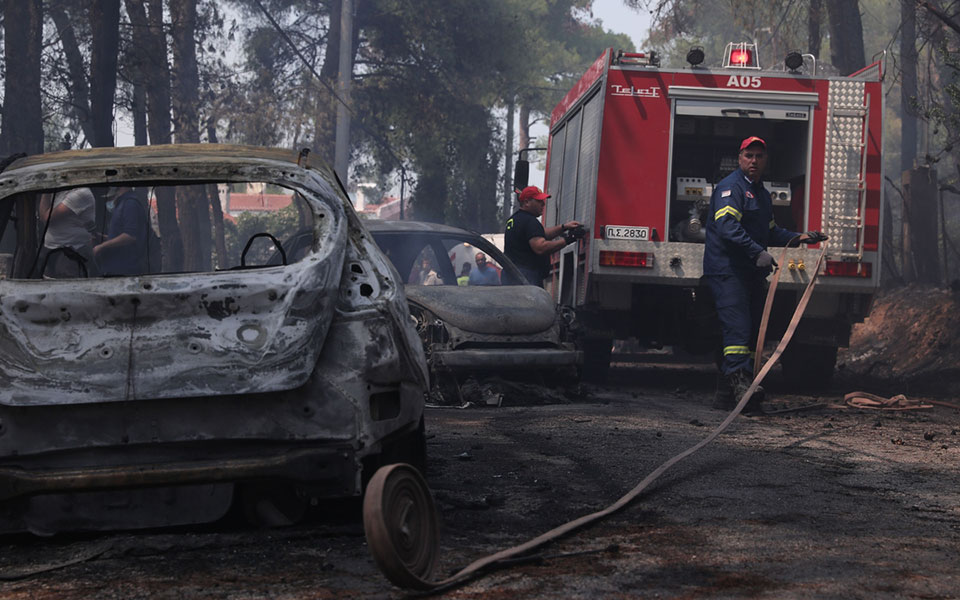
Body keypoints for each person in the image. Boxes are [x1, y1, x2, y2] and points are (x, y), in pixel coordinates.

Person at [703, 136, 827, 414]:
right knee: (739, 329)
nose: (754, 161)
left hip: (748, 272)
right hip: (727, 270)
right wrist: (756, 252)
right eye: (749, 155)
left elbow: (771, 231)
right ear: (740, 158)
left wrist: (801, 237)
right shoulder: (731, 188)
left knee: (746, 331)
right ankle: (743, 391)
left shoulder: (760, 193)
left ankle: (725, 396)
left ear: (765, 161)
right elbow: (727, 227)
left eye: (759, 156)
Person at [503, 186, 581, 287]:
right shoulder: (529, 221)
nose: (543, 204)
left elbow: (542, 234)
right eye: (539, 201)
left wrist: (564, 227)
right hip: (526, 277)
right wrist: (568, 240)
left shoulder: (515, 219)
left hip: (513, 275)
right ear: (527, 202)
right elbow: (541, 247)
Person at [38, 187, 98, 277]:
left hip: (72, 254)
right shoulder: (59, 192)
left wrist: (45, 191)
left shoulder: (81, 194)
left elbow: (46, 218)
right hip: (53, 251)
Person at [93, 186, 148, 276]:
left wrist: (101, 247)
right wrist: (104, 237)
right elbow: (120, 235)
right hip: (114, 266)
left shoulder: (130, 203)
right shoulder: (122, 203)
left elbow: (130, 236)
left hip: (124, 269)